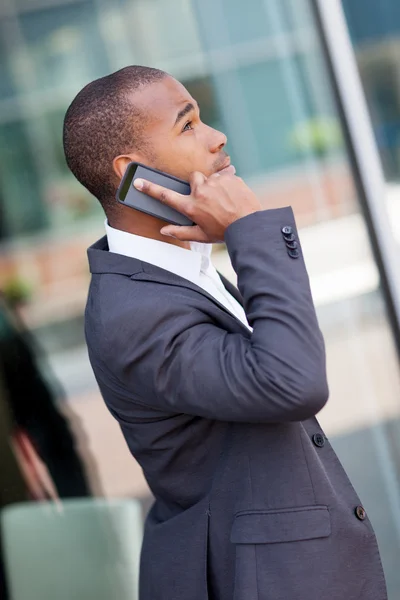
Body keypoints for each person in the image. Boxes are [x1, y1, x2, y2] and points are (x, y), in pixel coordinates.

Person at [63, 66, 387, 600]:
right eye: (188, 126)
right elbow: (292, 382)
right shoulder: (132, 314)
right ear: (133, 171)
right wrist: (249, 229)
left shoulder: (181, 268)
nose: (217, 136)